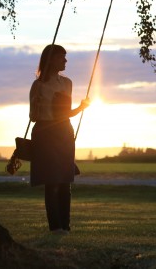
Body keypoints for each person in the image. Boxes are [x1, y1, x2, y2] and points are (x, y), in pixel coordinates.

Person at [29, 44, 90, 235]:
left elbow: (64, 114)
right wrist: (38, 106)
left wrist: (81, 108)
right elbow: (33, 116)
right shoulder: (38, 85)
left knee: (65, 180)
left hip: (64, 132)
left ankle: (66, 226)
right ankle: (55, 227)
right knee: (52, 181)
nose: (65, 61)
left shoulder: (67, 83)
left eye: (65, 57)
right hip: (45, 133)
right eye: (61, 57)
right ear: (50, 60)